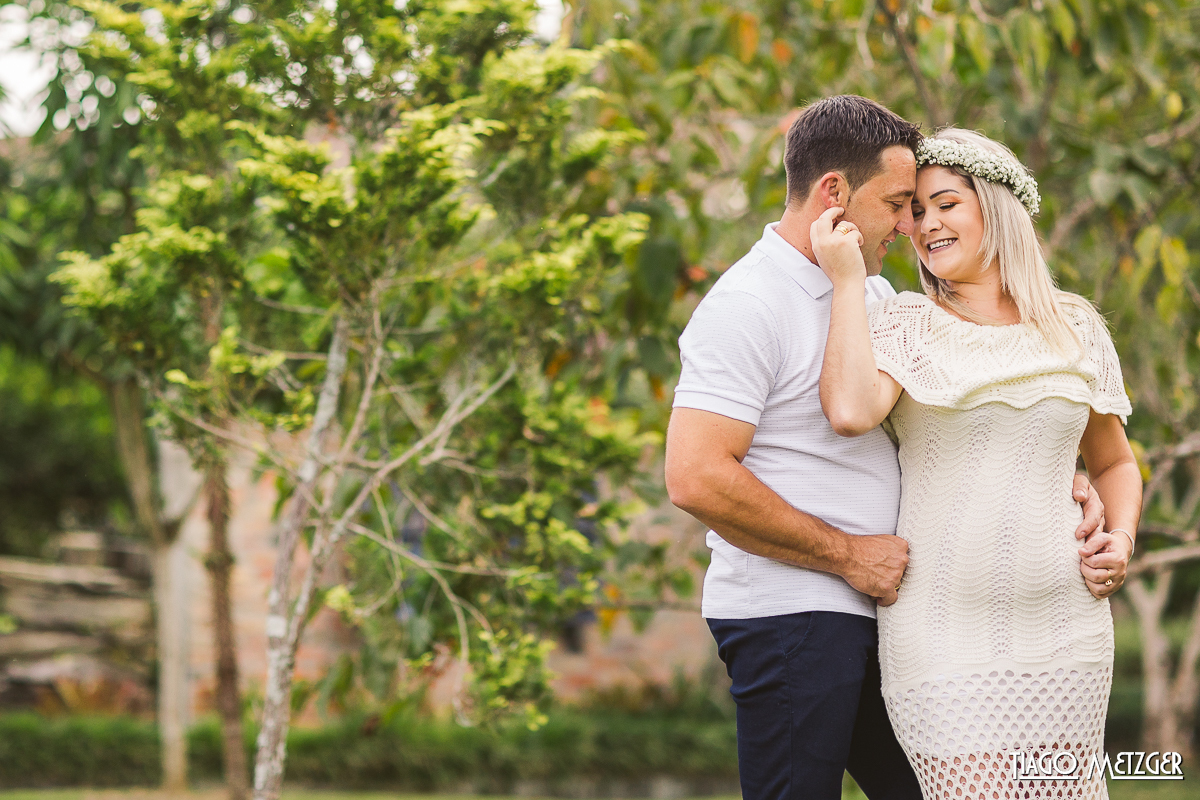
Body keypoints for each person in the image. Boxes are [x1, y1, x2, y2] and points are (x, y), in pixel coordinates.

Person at [664, 96, 1111, 800]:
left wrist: (1059, 477)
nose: (909, 226)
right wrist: (847, 555)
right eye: (900, 202)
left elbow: (946, 422)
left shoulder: (872, 299)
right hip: (795, 613)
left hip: (887, 611)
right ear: (835, 195)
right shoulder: (747, 303)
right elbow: (694, 477)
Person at [813, 126, 1142, 799]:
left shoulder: (1075, 326)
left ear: (995, 206)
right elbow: (849, 410)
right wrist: (847, 282)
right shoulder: (906, 323)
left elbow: (1115, 464)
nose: (924, 224)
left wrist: (1122, 538)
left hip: (1066, 632)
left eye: (945, 204)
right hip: (941, 635)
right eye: (916, 212)